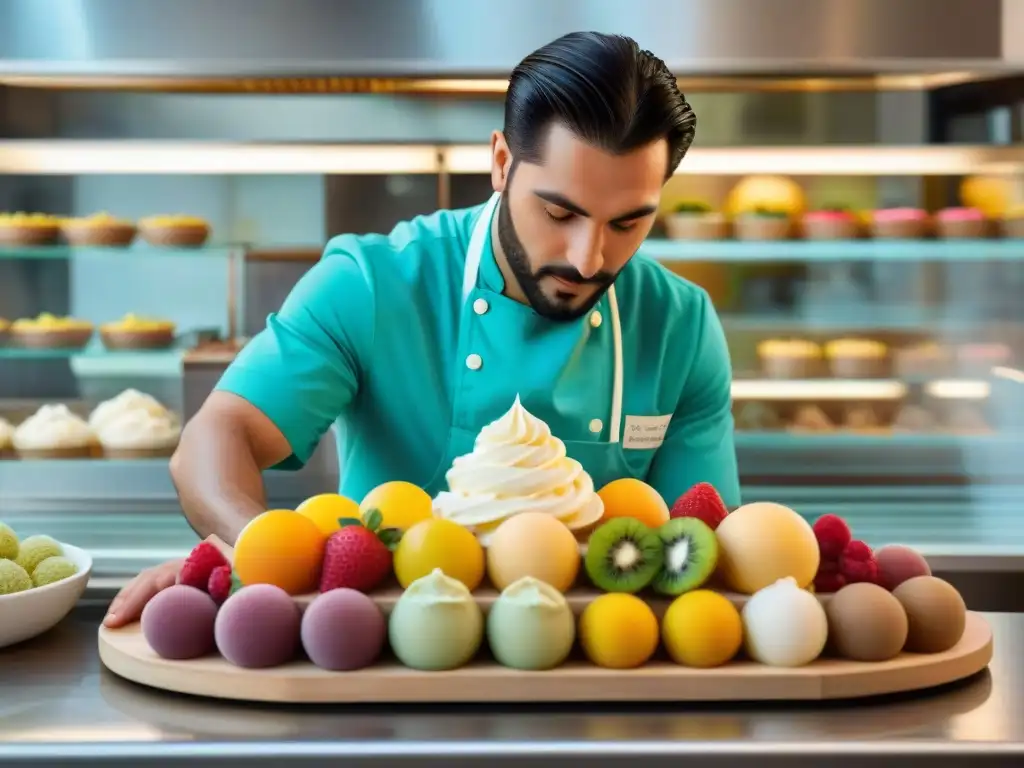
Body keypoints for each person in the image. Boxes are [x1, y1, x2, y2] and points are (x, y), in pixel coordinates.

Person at [103, 31, 739, 628]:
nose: (588, 258)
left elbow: (698, 549)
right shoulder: (373, 283)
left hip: (590, 666)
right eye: (558, 211)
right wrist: (262, 559)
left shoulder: (679, 324)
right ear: (500, 162)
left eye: (627, 224)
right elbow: (220, 435)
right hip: (374, 659)